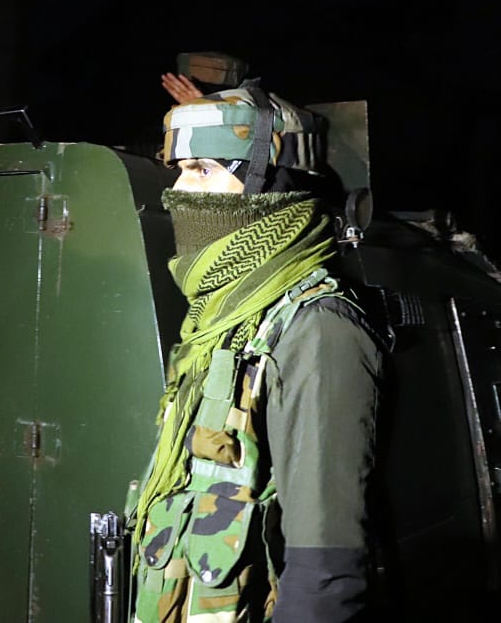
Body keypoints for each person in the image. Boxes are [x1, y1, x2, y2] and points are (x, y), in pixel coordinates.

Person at [128, 79, 387, 622]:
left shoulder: (316, 328)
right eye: (180, 169)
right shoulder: (221, 316)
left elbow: (324, 572)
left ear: (266, 187)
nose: (179, 190)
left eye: (203, 170)